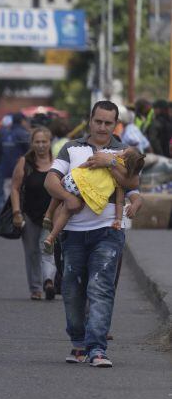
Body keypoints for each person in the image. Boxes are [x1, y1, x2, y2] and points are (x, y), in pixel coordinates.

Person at [45, 100, 140, 368]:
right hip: (73, 232)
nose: (102, 127)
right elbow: (50, 179)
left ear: (115, 124)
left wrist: (109, 161)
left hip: (108, 230)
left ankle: (97, 348)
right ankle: (78, 342)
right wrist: (67, 197)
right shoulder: (71, 148)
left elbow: (133, 182)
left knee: (100, 286)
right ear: (90, 120)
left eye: (108, 123)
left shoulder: (122, 151)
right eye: (98, 121)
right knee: (72, 289)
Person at [44, 147, 144, 252]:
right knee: (66, 213)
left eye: (124, 151)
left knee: (61, 192)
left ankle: (48, 214)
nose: (121, 150)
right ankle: (51, 237)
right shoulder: (120, 177)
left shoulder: (106, 157)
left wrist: (76, 172)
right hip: (86, 194)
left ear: (123, 157)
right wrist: (118, 219)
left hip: (75, 179)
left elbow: (89, 162)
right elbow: (119, 201)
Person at [10, 127, 57, 301]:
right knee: (31, 253)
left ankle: (49, 281)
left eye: (44, 142)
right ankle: (35, 288)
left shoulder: (57, 162)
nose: (41, 145)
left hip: (51, 215)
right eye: (37, 142)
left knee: (47, 249)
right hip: (29, 214)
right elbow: (14, 188)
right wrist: (16, 212)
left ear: (50, 142)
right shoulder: (25, 162)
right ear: (32, 144)